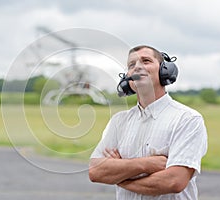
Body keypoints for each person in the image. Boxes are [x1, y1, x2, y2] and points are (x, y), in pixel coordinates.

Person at [89, 45, 208, 199]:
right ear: (127, 79)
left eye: (146, 61)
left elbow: (174, 181)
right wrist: (147, 164)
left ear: (165, 71)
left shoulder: (188, 119)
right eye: (131, 65)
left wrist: (120, 177)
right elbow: (95, 172)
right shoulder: (118, 122)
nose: (137, 67)